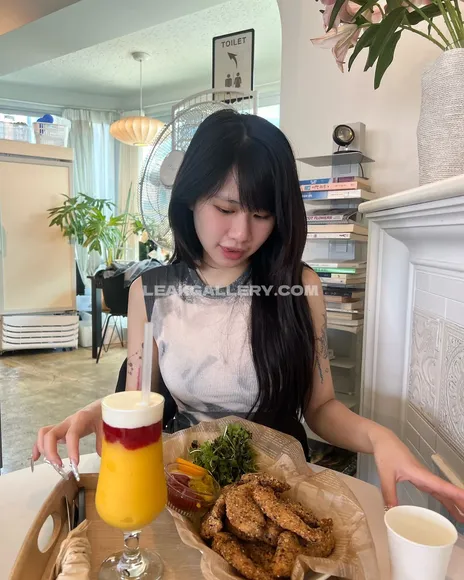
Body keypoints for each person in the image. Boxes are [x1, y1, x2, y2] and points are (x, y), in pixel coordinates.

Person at [32, 110, 464, 522]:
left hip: (277, 493)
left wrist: (379, 438)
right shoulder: (152, 291)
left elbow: (320, 407)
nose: (241, 234)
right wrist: (98, 412)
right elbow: (141, 398)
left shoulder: (299, 287)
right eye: (225, 209)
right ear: (190, 197)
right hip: (186, 486)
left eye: (261, 215)